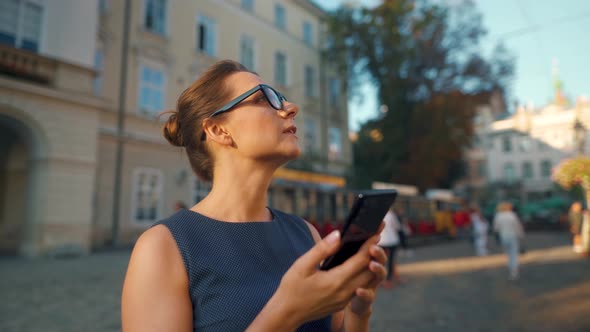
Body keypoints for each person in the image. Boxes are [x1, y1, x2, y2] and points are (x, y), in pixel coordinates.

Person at [121, 60, 388, 331]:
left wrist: (358, 310)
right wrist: (287, 312)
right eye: (263, 98)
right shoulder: (164, 247)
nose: (291, 108)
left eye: (281, 99)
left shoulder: (305, 233)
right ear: (217, 129)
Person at [493, 202, 525, 280]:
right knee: (514, 254)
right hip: (513, 236)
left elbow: (496, 228)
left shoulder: (498, 216)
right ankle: (514, 272)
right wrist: (521, 235)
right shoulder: (512, 215)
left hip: (503, 237)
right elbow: (517, 226)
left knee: (509, 255)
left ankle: (511, 269)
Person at [378, 208, 402, 288]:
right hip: (391, 241)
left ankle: (379, 280)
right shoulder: (391, 214)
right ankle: (389, 281)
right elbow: (397, 226)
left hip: (381, 241)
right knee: (391, 261)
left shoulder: (377, 214)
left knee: (381, 261)